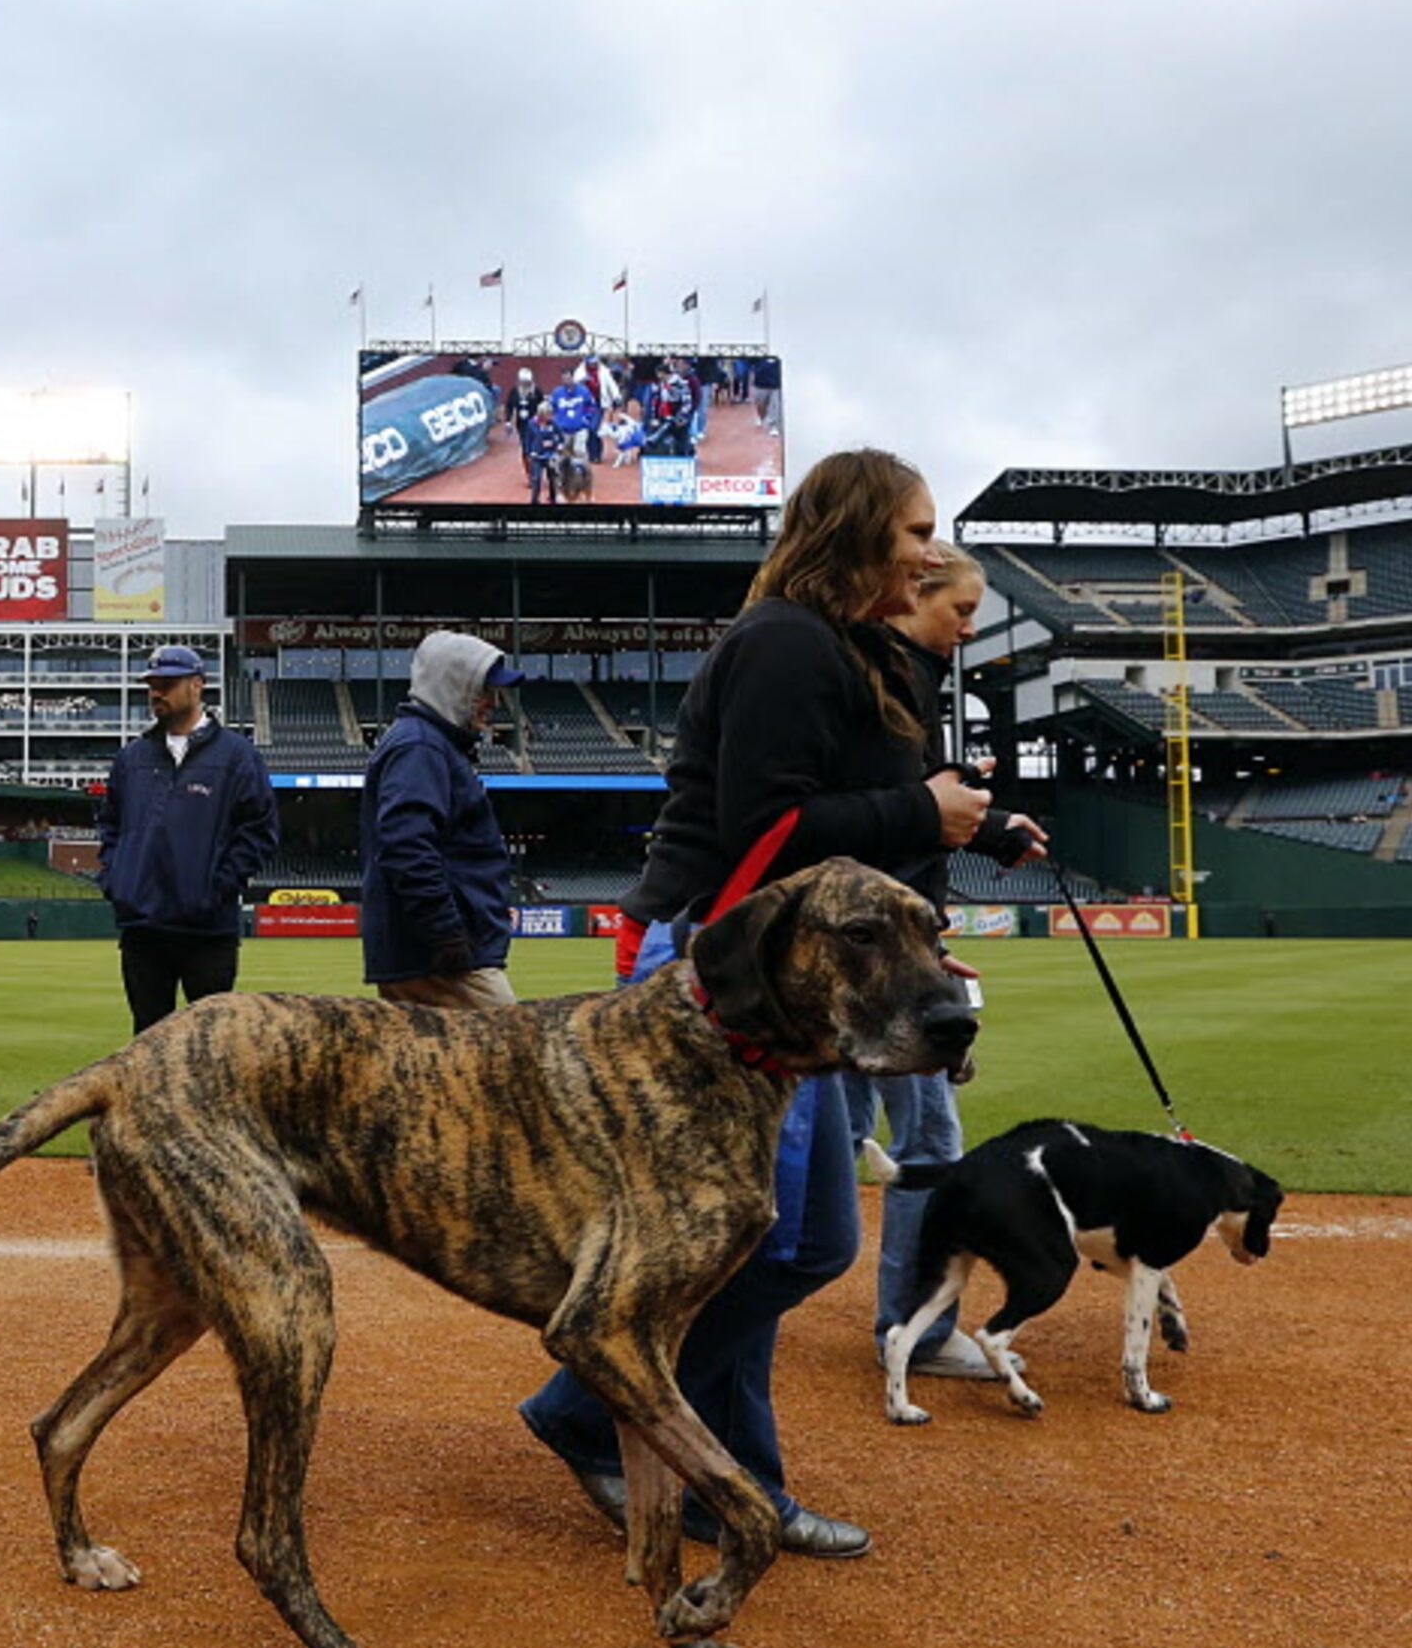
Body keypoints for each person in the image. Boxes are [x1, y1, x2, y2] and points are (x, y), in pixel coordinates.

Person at [515, 447, 992, 1561]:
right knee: (768, 1247)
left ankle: (614, 1424)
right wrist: (917, 814)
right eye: (916, 530)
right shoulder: (784, 639)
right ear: (857, 529)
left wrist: (946, 820)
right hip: (721, 986)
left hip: (781, 992)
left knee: (803, 1242)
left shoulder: (836, 643)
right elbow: (767, 831)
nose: (929, 553)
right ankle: (686, 1459)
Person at [844, 544, 1046, 1380]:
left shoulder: (902, 681)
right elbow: (868, 821)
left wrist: (988, 829)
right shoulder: (879, 681)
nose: (968, 628)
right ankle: (916, 1332)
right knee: (919, 1140)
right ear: (908, 597)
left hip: (883, 949)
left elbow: (905, 818)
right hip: (870, 960)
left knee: (833, 1139)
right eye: (958, 611)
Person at [97, 644, 279, 1035]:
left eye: (167, 683)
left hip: (207, 931)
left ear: (197, 685)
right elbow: (109, 827)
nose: (156, 692)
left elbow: (260, 830)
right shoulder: (131, 758)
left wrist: (216, 888)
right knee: (147, 1044)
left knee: (209, 1048)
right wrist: (117, 882)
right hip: (143, 927)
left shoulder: (237, 756)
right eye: (152, 685)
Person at [360, 631, 523, 1008]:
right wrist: (446, 932)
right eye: (485, 690)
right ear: (455, 686)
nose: (494, 702)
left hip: (433, 952)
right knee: (508, 1058)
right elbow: (406, 845)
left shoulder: (429, 743)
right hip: (437, 957)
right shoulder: (421, 746)